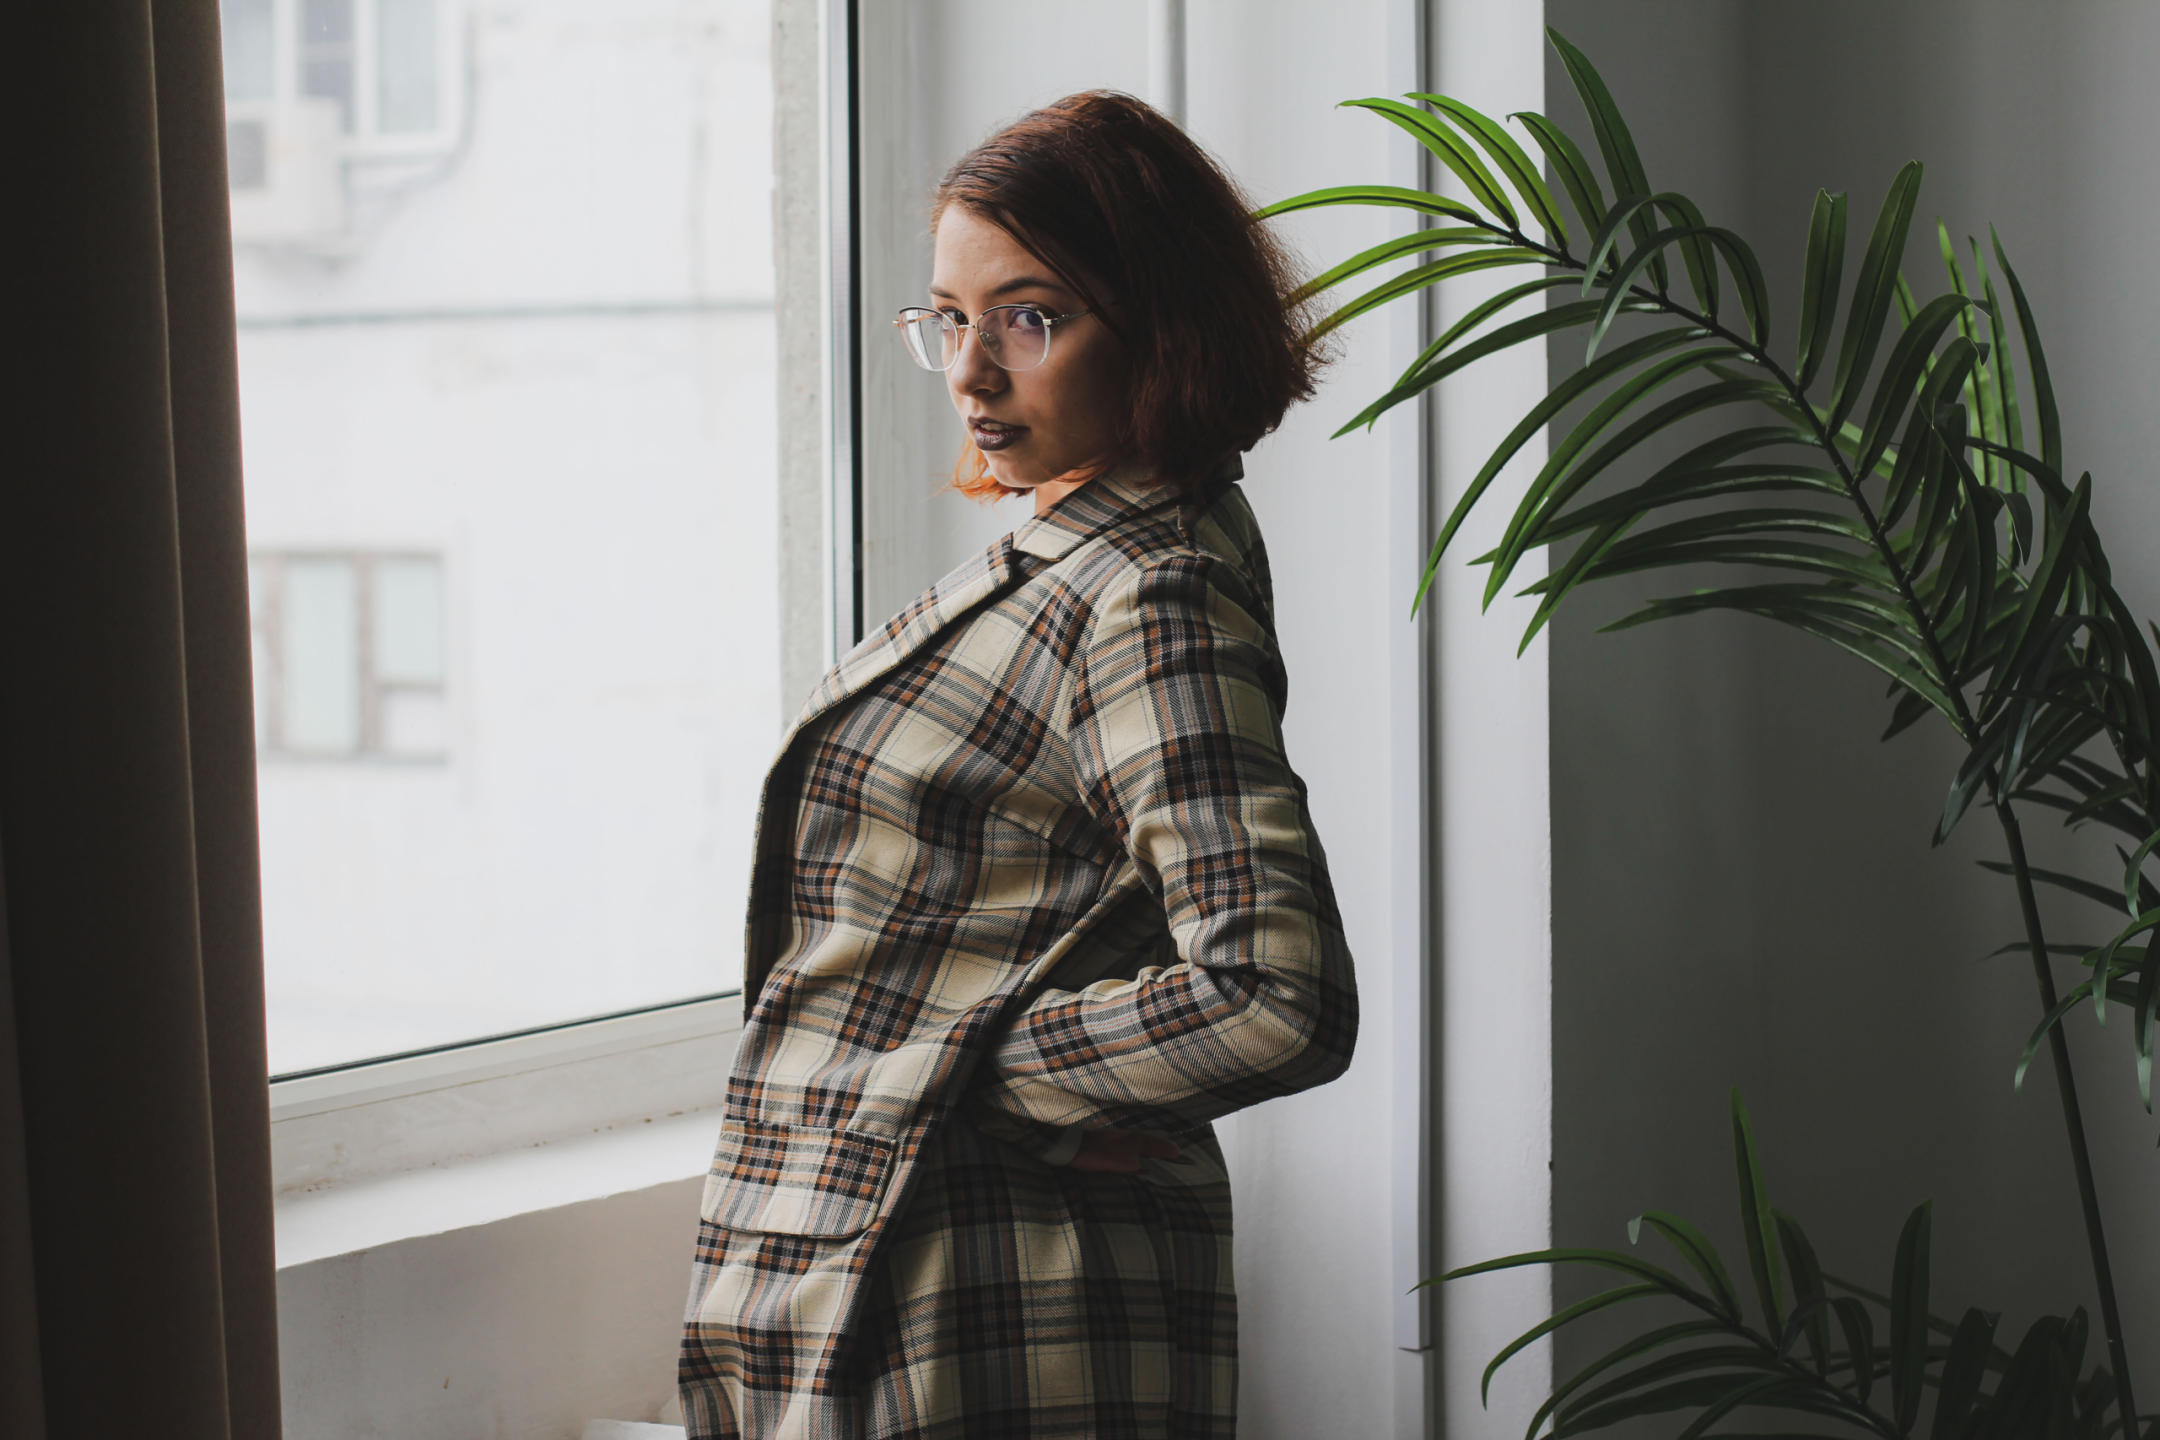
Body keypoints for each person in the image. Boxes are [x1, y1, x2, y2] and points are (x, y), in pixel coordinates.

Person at [678, 89, 1358, 1440]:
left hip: (977, 1290)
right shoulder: (1079, 558)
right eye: (951, 319)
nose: (973, 374)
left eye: (1030, 318)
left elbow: (1274, 995)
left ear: (1164, 325)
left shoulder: (1147, 591)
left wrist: (966, 1076)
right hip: (894, 1265)